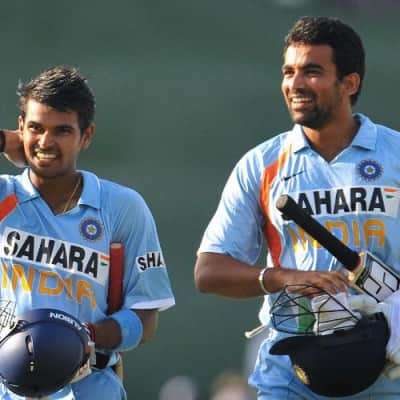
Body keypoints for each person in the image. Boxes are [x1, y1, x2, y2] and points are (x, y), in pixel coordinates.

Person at [194, 15, 400, 399]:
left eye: (312, 72)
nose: (295, 84)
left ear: (350, 83)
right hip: (292, 375)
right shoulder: (262, 164)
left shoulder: (396, 156)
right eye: (289, 72)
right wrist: (283, 278)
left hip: (388, 375)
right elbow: (208, 271)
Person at [0, 65, 175, 399]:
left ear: (86, 135)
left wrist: (82, 336)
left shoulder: (122, 207)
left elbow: (145, 317)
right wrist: (4, 140)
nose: (45, 142)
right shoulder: (3, 195)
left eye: (62, 131)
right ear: (20, 128)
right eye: (35, 128)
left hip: (90, 388)